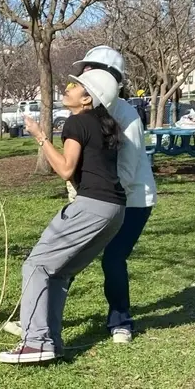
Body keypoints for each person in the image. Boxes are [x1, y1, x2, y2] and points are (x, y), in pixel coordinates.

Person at [0, 69, 126, 365]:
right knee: (57, 272)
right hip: (115, 211)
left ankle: (34, 342)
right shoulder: (105, 124)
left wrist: (40, 138)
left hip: (91, 206)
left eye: (76, 85)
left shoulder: (77, 121)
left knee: (36, 266)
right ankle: (50, 343)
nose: (68, 88)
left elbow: (66, 169)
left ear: (88, 97)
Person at [72, 46, 157, 344]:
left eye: (90, 70)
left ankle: (121, 321)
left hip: (132, 201)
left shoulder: (126, 115)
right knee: (68, 253)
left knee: (113, 258)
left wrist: (95, 195)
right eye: (84, 70)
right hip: (98, 198)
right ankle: (39, 313)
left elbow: (129, 171)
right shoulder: (87, 112)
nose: (83, 76)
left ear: (110, 78)